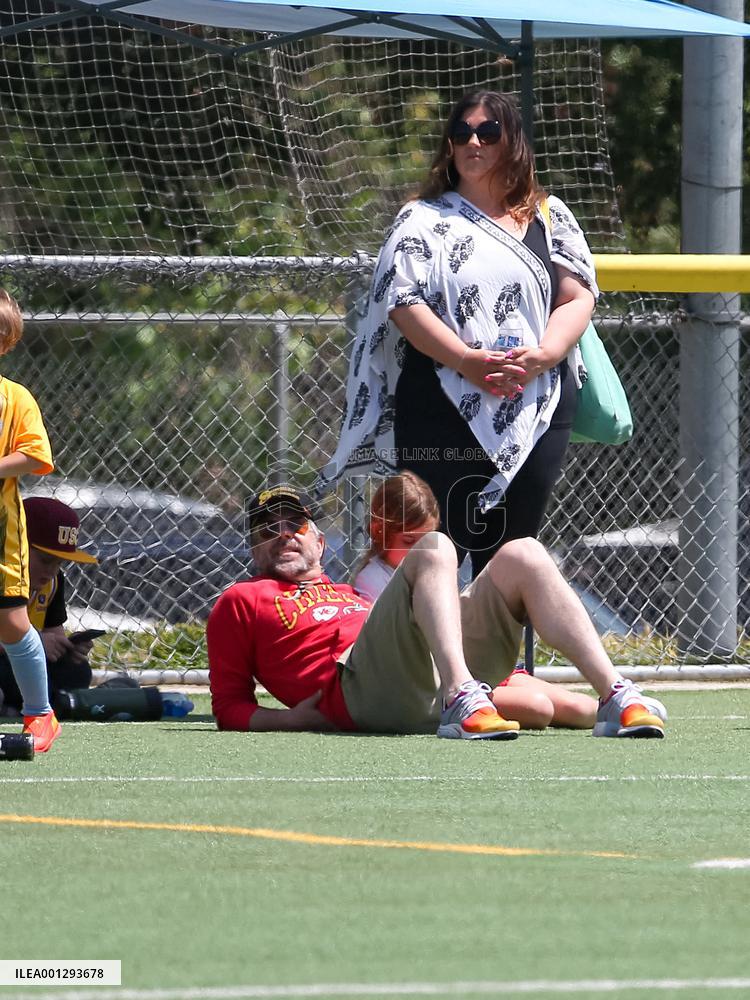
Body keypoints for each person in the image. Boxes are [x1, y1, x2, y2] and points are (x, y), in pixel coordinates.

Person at [318, 90, 597, 578]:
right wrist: (468, 361)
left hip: (536, 404)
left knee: (511, 559)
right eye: (461, 132)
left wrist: (543, 356)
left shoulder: (550, 215)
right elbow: (402, 303)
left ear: (512, 142)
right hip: (440, 407)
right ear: (449, 145)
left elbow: (577, 296)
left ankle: (501, 658)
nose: (474, 142)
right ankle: (433, 656)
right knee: (435, 553)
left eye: (488, 132)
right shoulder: (421, 219)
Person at [207, 482, 666, 740]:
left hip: (415, 676)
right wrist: (294, 719)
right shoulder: (240, 600)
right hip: (359, 691)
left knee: (523, 553)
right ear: (253, 548)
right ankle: (461, 697)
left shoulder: (351, 592)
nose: (284, 534)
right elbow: (229, 708)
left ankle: (616, 694)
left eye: (296, 525)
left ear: (320, 542)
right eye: (268, 529)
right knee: (435, 548)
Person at [353, 472, 597, 730]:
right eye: (409, 541)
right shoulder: (372, 581)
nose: (419, 550)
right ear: (378, 531)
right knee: (538, 708)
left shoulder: (431, 569)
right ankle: (465, 703)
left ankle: (618, 697)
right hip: (434, 680)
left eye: (426, 539)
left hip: (472, 666)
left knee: (583, 709)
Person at [0, 496, 195, 724]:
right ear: (14, 545)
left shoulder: (52, 583)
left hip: (20, 666)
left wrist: (66, 648)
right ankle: (86, 700)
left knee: (78, 671)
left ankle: (54, 702)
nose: (51, 571)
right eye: (45, 560)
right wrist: (33, 642)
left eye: (60, 563)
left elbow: (54, 635)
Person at [0, 289, 59, 752]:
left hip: (2, 533)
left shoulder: (14, 398)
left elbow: (36, 456)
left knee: (12, 622)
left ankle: (40, 713)